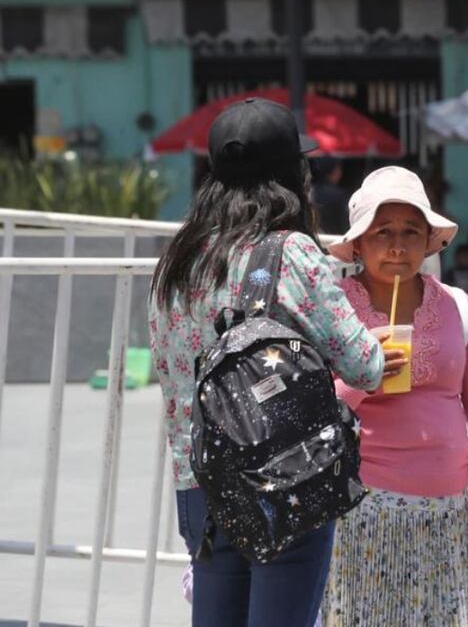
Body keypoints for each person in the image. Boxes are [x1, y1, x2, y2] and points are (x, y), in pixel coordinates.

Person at [149, 97, 387, 627]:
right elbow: (364, 366)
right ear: (292, 174)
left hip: (201, 484)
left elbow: (170, 373)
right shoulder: (291, 252)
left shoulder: (180, 259)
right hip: (285, 478)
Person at [321, 166, 468, 627]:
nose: (397, 245)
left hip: (444, 514)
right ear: (359, 243)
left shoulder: (459, 307)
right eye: (382, 232)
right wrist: (362, 375)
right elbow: (315, 413)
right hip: (361, 510)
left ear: (429, 241)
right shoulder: (333, 306)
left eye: (411, 232)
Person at [311, 156, 351, 235]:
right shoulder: (340, 196)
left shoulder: (308, 192)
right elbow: (345, 224)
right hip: (334, 241)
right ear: (334, 171)